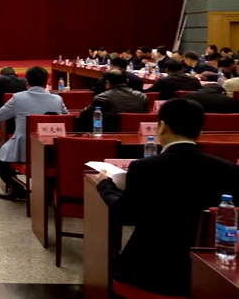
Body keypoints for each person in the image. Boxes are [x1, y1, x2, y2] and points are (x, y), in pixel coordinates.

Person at [95, 98, 239, 297]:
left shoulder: (145, 168)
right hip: (209, 275)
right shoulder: (230, 170)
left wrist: (105, 185)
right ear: (200, 132)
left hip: (149, 271)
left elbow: (124, 214)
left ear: (161, 127)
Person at [0, 67, 68, 201]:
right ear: (46, 84)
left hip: (24, 152)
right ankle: (50, 189)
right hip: (52, 152)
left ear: (27, 82)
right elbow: (67, 118)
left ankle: (18, 189)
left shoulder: (18, 98)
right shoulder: (57, 99)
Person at [77, 70, 149, 132]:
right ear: (127, 81)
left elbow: (83, 116)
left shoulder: (102, 98)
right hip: (136, 133)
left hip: (107, 134)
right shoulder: (142, 96)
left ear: (107, 83)